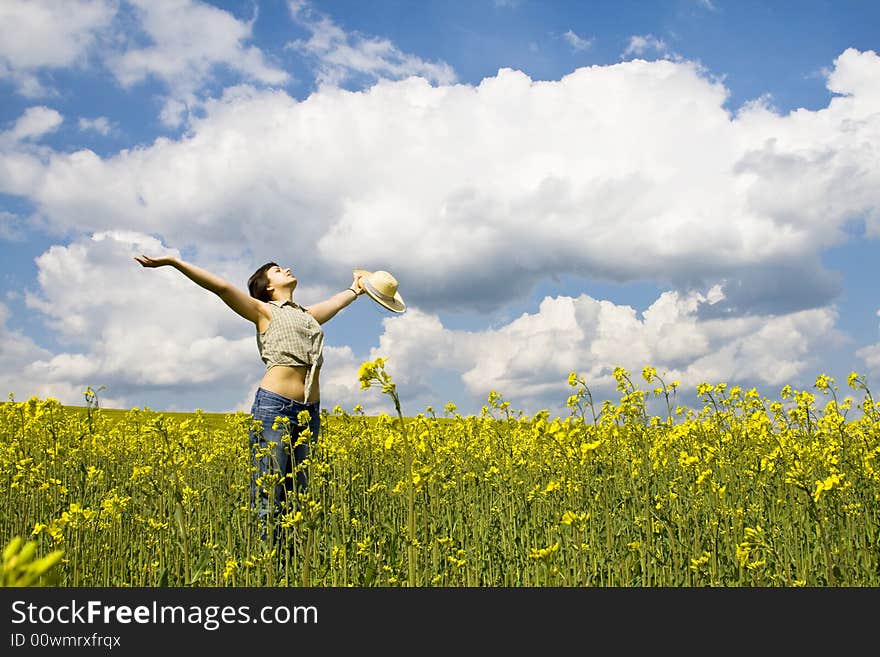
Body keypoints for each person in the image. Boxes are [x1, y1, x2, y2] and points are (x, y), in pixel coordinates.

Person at [134, 253, 365, 542]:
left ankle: (291, 566)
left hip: (310, 410)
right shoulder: (263, 311)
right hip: (275, 407)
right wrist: (174, 263)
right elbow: (220, 287)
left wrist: (356, 289)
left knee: (300, 497)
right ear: (268, 287)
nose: (288, 269)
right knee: (270, 496)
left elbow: (336, 303)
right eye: (279, 270)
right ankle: (268, 564)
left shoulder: (306, 315)